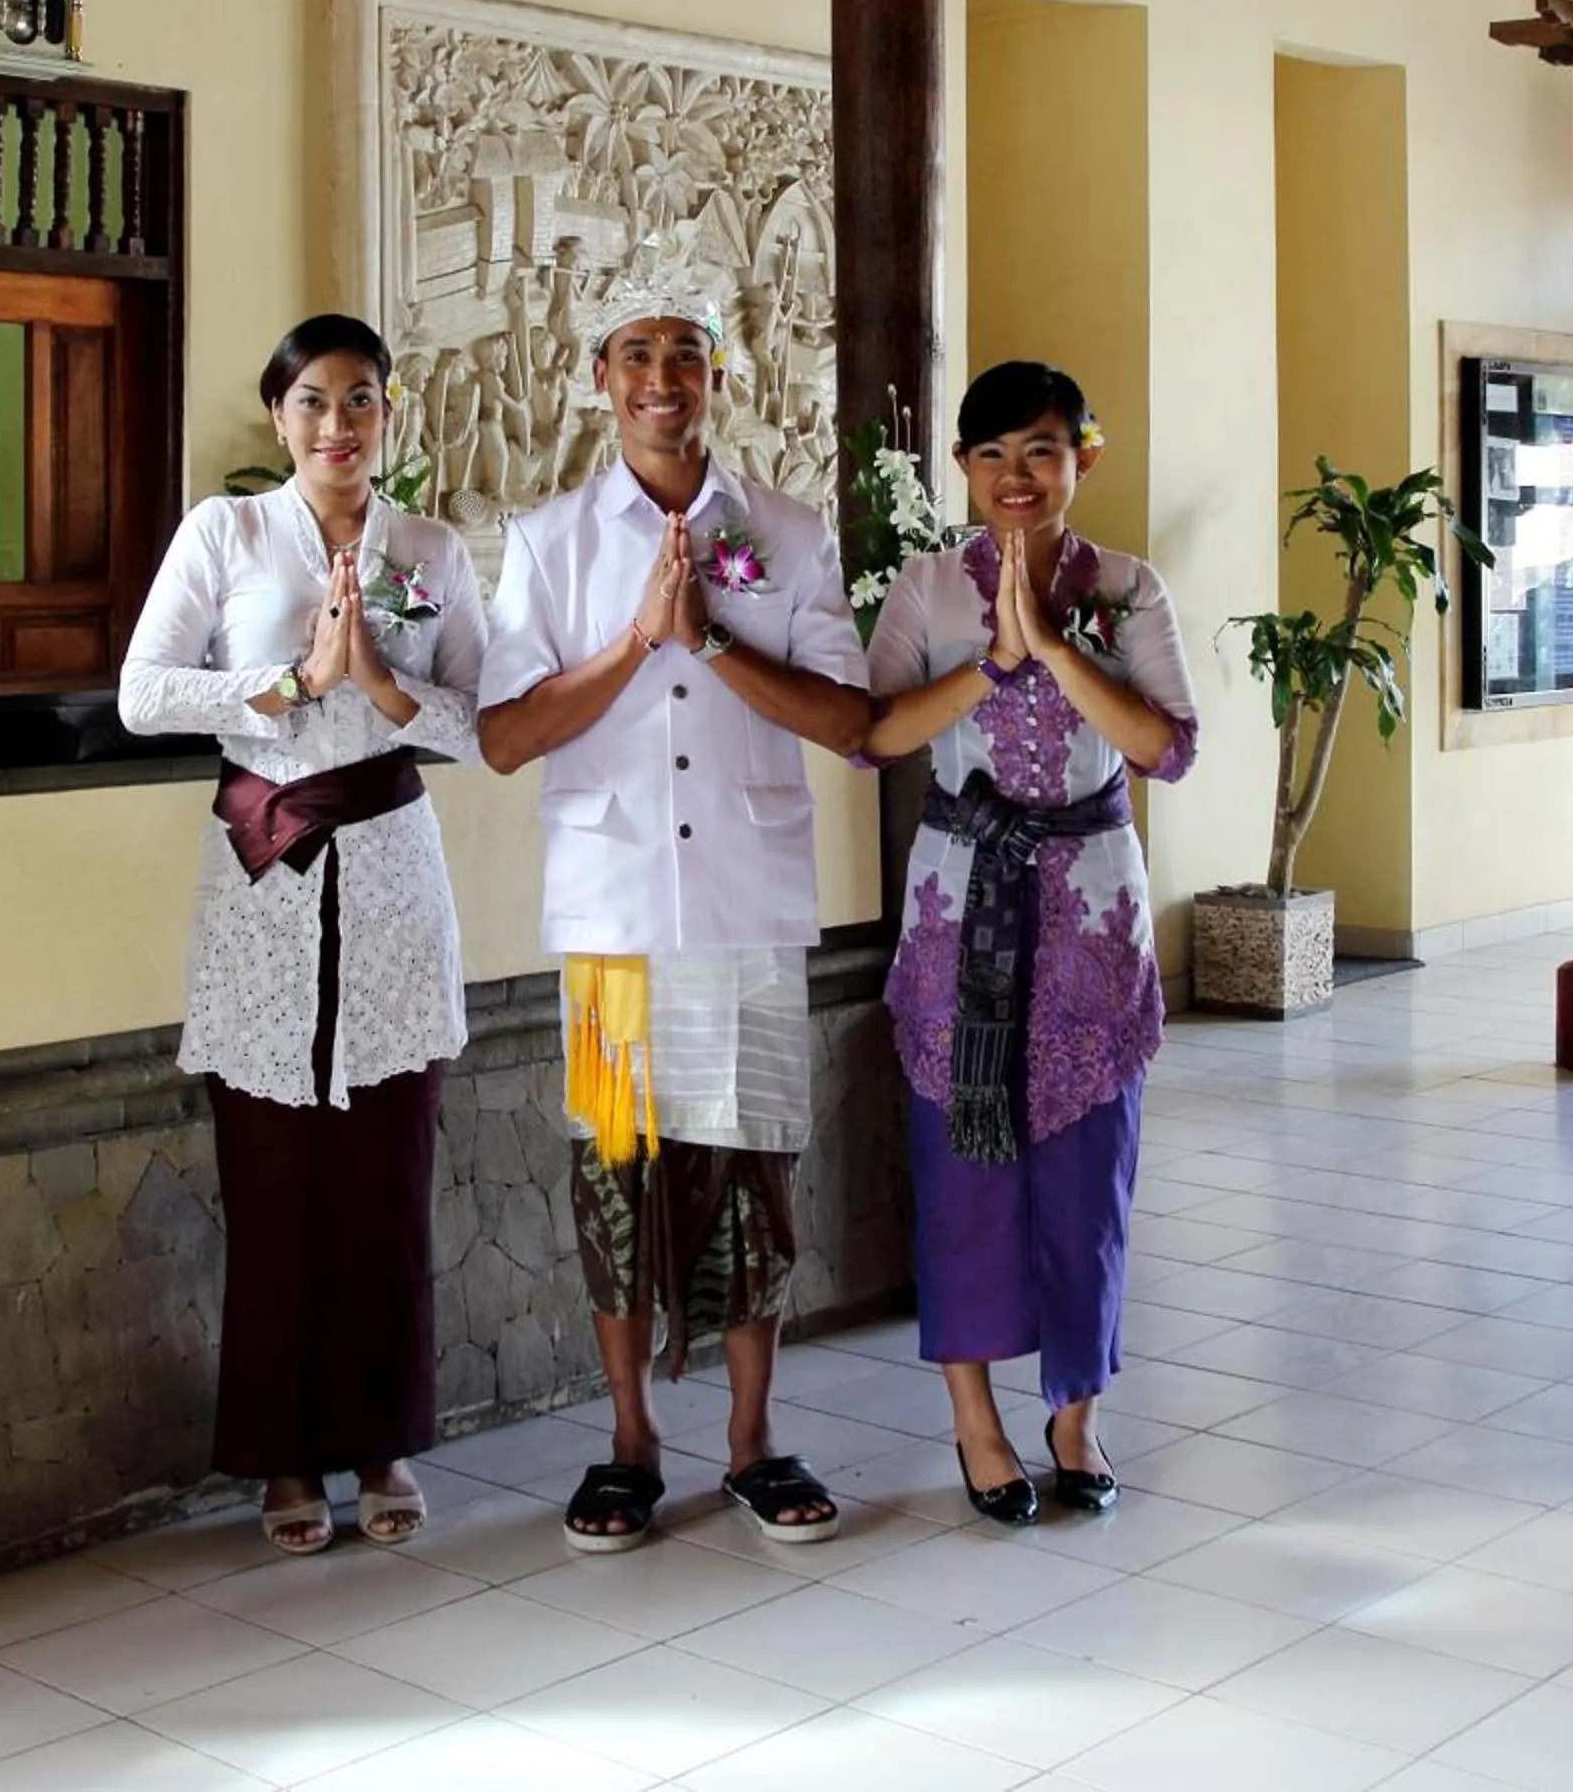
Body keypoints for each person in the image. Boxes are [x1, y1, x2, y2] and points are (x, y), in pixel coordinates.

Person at [478, 239, 872, 1554]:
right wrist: (637, 642)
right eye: (637, 353)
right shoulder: (545, 543)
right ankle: (631, 1442)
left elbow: (849, 717)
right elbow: (508, 735)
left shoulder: (789, 533)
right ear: (600, 377)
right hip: (611, 919)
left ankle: (755, 1439)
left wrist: (711, 638)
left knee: (754, 1168)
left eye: (685, 354)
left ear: (717, 375)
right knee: (616, 1176)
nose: (662, 377)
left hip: (750, 904)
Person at [117, 314, 487, 1556]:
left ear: (391, 415)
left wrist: (381, 682)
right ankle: (285, 1457)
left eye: (363, 400)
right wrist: (288, 686)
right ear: (279, 415)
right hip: (265, 873)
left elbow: (480, 720)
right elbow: (145, 690)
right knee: (274, 1187)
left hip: (389, 865)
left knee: (386, 1179)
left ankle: (383, 1441)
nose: (340, 424)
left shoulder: (430, 548)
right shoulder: (223, 533)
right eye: (316, 401)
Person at [859, 361, 1196, 1523]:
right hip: (961, 914)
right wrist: (989, 666)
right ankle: (975, 1418)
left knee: (1091, 1175)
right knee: (963, 1175)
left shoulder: (1130, 587)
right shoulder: (922, 586)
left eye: (1041, 450)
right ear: (962, 464)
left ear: (1081, 459)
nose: (1016, 475)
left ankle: (1075, 1414)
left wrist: (1055, 647)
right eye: (993, 452)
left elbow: (1165, 747)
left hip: (1094, 916)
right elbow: (874, 734)